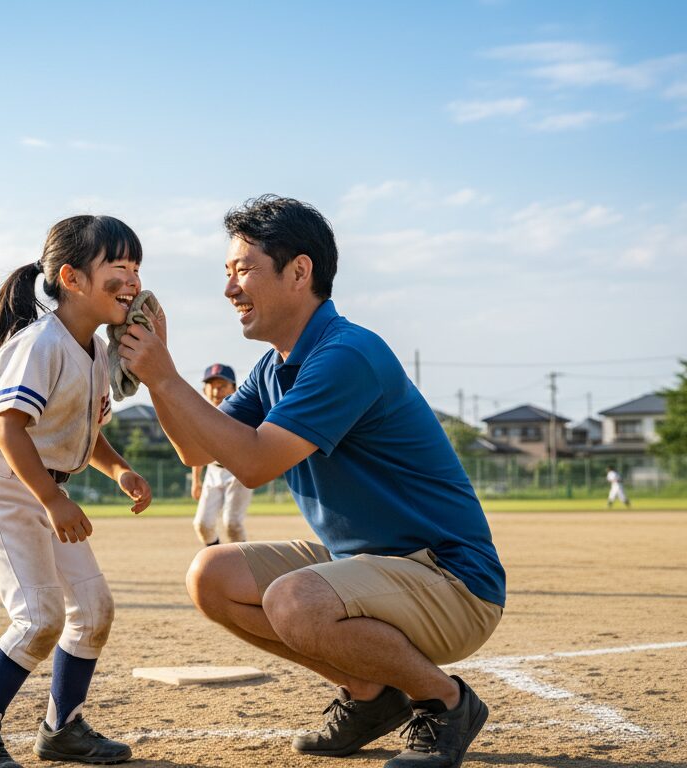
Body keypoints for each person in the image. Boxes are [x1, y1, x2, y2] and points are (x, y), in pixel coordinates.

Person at [118, 196, 505, 768]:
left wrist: (166, 374)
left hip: (449, 577)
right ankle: (371, 696)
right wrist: (158, 376)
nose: (230, 290)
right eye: (227, 274)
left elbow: (252, 463)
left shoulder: (346, 353)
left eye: (243, 270)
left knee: (294, 599)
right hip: (372, 563)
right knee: (212, 575)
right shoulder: (275, 367)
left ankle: (446, 702)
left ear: (300, 272)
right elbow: (196, 447)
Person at [0, 215, 154, 768]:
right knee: (39, 617)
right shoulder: (40, 342)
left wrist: (118, 470)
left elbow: (83, 433)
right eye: (118, 266)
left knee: (94, 609)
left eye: (136, 267)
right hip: (4, 490)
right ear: (72, 277)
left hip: (41, 488)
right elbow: (11, 429)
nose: (132, 280)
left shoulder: (95, 352)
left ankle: (62, 729)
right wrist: (54, 499)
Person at [190, 363, 253, 546]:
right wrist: (196, 480)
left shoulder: (243, 412)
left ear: (234, 388)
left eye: (222, 385)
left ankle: (242, 563)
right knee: (202, 524)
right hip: (213, 472)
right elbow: (197, 450)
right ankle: (218, 556)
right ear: (204, 389)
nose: (216, 390)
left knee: (232, 524)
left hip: (238, 472)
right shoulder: (199, 415)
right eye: (212, 385)